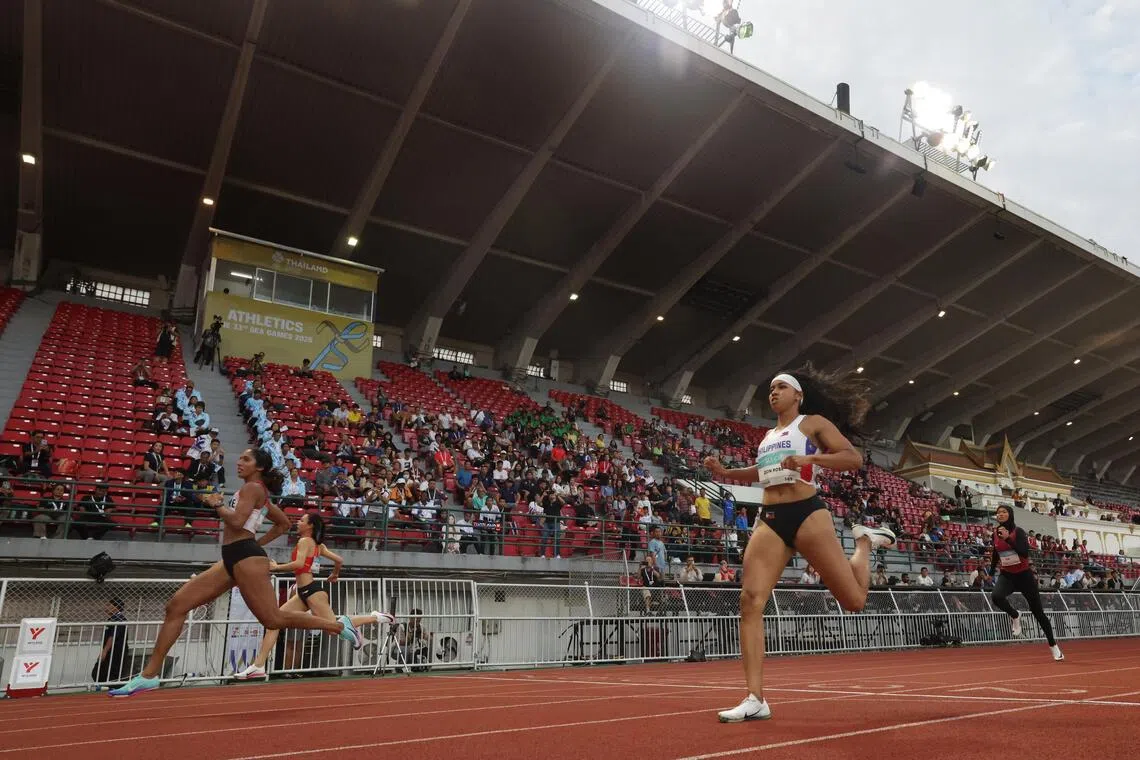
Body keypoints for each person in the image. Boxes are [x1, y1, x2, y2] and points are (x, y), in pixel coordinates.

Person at [703, 365, 895, 723]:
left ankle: (865, 543)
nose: (772, 393)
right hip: (771, 518)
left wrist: (811, 458)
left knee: (854, 601)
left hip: (808, 513)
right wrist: (727, 473)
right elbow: (764, 473)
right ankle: (755, 698)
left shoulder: (812, 423)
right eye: (770, 389)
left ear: (797, 395)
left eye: (779, 387)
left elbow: (852, 458)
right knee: (749, 600)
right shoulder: (767, 436)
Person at [109, 449, 364, 697]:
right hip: (236, 555)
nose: (239, 462)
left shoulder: (253, 488)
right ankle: (150, 675)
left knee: (273, 619)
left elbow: (236, 521)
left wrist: (218, 504)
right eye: (240, 458)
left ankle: (339, 626)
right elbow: (283, 523)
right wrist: (255, 543)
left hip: (245, 557)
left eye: (246, 459)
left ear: (259, 467)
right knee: (176, 606)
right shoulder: (257, 493)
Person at [233, 512, 395, 680]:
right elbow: (339, 560)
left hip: (312, 591)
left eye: (302, 520)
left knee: (333, 629)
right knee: (274, 622)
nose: (298, 522)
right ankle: (258, 666)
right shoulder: (319, 546)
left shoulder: (305, 541)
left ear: (310, 526)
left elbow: (298, 564)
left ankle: (374, 617)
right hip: (303, 593)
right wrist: (334, 574)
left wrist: (275, 568)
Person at [989, 504, 1063, 661]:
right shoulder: (996, 533)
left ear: (1010, 514)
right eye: (998, 513)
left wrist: (1008, 538)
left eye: (1004, 512)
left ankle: (1053, 646)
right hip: (1007, 575)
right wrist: (991, 570)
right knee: (996, 596)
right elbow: (996, 552)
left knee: (1038, 613)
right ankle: (1015, 615)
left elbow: (1023, 552)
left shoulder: (1019, 532)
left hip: (1024, 576)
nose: (1000, 514)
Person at [92, 598, 129, 687]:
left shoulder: (119, 619)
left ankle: (114, 687)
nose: (106, 607)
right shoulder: (112, 619)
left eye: (109, 605)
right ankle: (108, 686)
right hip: (111, 651)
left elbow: (113, 636)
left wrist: (104, 651)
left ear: (116, 607)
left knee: (112, 672)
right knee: (99, 672)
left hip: (116, 651)